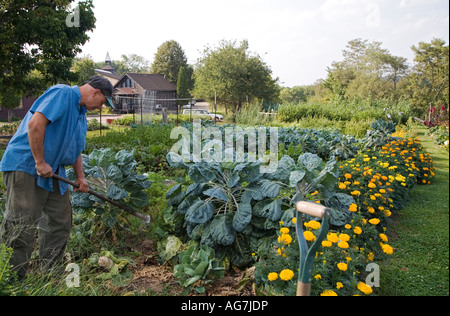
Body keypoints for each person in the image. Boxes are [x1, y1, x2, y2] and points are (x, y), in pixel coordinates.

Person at [0, 76, 115, 280]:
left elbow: (76, 149)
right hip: (26, 165)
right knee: (21, 223)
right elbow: (35, 124)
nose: (100, 107)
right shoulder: (62, 94)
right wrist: (39, 161)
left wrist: (81, 177)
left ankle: (50, 274)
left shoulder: (80, 115)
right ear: (96, 92)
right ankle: (10, 279)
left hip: (52, 170)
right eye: (103, 103)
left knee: (60, 220)